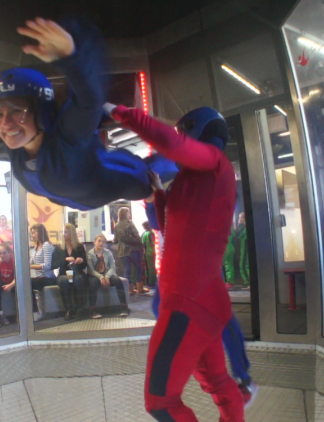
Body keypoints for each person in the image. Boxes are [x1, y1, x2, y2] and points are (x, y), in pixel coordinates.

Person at [0, 17, 175, 212]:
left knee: (159, 172)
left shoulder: (68, 137)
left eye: (17, 112)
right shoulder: (16, 145)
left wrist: (71, 57)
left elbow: (89, 100)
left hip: (124, 181)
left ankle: (195, 146)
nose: (5, 123)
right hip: (82, 195)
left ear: (41, 112)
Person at [108, 104, 246, 421]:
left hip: (187, 302)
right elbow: (170, 227)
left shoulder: (214, 164)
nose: (181, 136)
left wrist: (122, 113)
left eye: (186, 131)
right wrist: (156, 193)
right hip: (202, 300)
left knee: (160, 402)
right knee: (217, 382)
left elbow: (175, 145)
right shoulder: (195, 179)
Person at [86, 234, 129, 319]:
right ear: (94, 242)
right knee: (93, 284)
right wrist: (101, 277)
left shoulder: (108, 253)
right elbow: (90, 270)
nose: (101, 243)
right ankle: (93, 310)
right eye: (99, 241)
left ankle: (124, 307)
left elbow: (113, 267)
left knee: (117, 281)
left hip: (107, 274)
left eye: (103, 242)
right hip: (95, 275)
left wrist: (107, 276)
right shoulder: (90, 254)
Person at [114, 207, 148, 295]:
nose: (129, 215)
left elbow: (115, 240)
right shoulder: (129, 223)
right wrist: (141, 246)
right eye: (128, 213)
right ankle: (140, 288)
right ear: (126, 214)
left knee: (126, 270)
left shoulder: (116, 225)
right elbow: (136, 235)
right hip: (133, 249)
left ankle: (129, 290)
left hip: (122, 251)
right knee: (138, 268)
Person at [56, 223, 87, 320]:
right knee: (64, 281)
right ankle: (69, 309)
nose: (63, 234)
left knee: (78, 279)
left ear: (71, 233)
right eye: (63, 232)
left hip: (77, 272)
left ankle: (79, 308)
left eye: (65, 232)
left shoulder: (79, 247)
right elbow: (54, 264)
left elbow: (85, 265)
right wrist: (65, 260)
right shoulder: (59, 248)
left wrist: (81, 260)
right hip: (64, 273)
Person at [29, 224, 55, 320]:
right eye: (31, 233)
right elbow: (30, 261)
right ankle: (33, 311)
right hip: (40, 277)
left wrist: (30, 266)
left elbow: (47, 265)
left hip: (48, 278)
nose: (32, 235)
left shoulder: (46, 245)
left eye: (34, 232)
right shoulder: (36, 248)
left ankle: (36, 312)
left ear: (40, 232)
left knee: (28, 283)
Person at [0, 242, 15, 326]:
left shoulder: (14, 260)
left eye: (4, 253)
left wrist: (11, 285)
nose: (2, 255)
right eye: (0, 253)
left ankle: (23, 312)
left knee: (21, 286)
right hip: (2, 281)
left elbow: (19, 276)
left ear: (10, 253)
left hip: (13, 281)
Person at [235, 213, 250, 289]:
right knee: (246, 265)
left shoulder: (245, 228)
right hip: (245, 247)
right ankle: (248, 282)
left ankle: (248, 282)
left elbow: (240, 235)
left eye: (240, 217)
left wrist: (239, 225)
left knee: (243, 265)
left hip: (245, 247)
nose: (239, 219)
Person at [141, 222, 157, 287]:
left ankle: (150, 282)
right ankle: (154, 281)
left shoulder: (145, 234)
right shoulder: (153, 233)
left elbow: (142, 244)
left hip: (147, 253)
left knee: (148, 268)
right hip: (154, 252)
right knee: (153, 267)